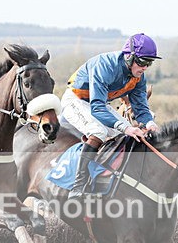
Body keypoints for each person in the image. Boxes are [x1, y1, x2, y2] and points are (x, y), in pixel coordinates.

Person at [61, 33, 161, 197]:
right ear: (129, 57)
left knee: (129, 137)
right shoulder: (105, 66)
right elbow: (97, 108)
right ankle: (77, 186)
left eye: (149, 63)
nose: (145, 67)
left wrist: (149, 123)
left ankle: (108, 180)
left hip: (98, 103)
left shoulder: (138, 77)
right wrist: (126, 127)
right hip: (76, 100)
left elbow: (141, 107)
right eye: (142, 62)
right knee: (99, 131)